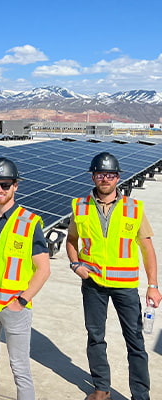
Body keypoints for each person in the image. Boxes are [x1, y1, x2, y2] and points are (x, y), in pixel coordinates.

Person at [66, 152, 161, 400]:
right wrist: (75, 265)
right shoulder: (80, 206)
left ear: (118, 177)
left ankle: (141, 395)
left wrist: (153, 285)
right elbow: (72, 240)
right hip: (93, 284)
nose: (105, 179)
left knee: (135, 342)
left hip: (125, 286)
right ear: (93, 176)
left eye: (110, 174)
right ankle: (101, 388)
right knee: (95, 337)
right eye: (100, 174)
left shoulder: (134, 208)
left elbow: (147, 248)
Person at [0, 157, 50, 400]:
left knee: (19, 367)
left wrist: (22, 301)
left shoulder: (29, 223)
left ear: (16, 186)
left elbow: (43, 269)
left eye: (5, 185)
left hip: (14, 308)